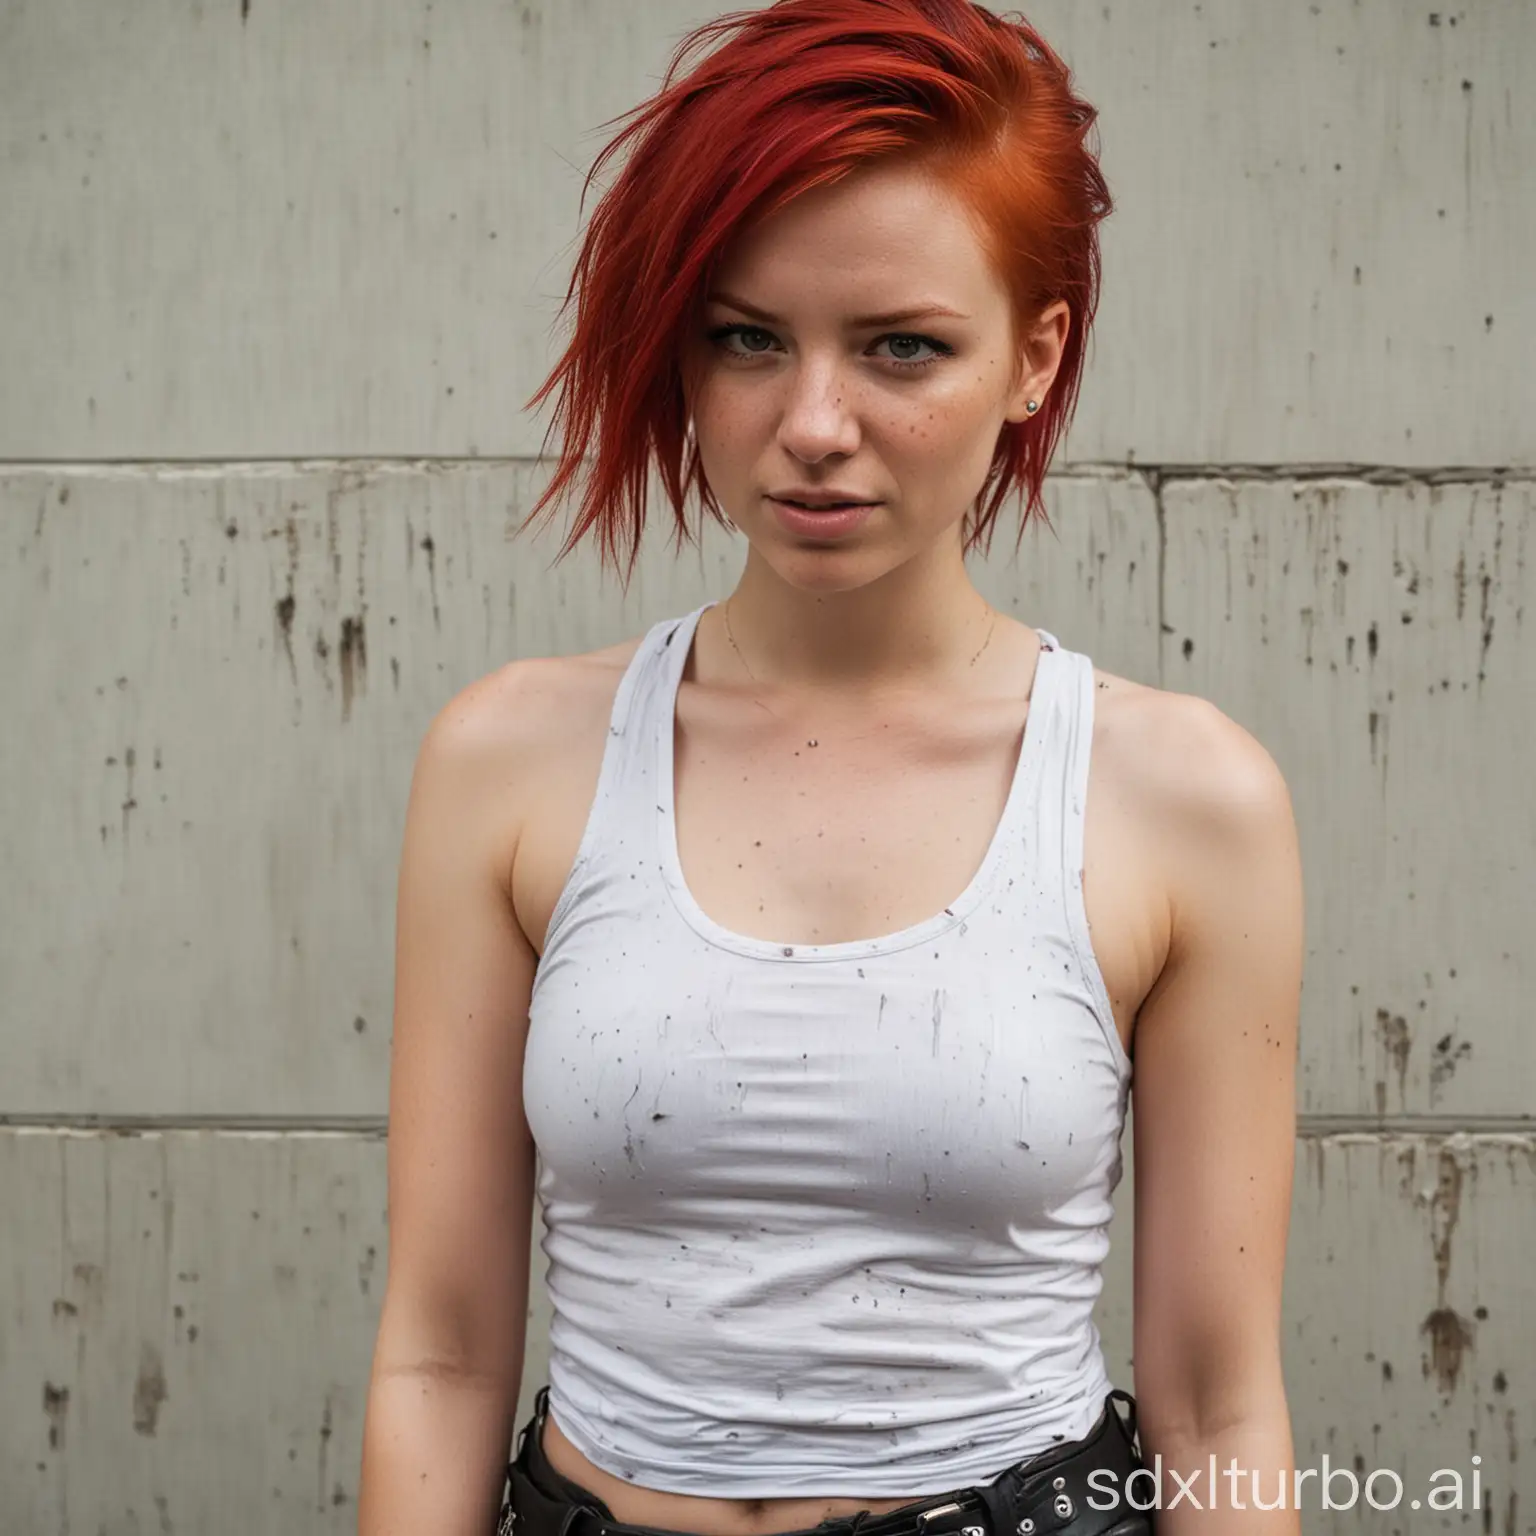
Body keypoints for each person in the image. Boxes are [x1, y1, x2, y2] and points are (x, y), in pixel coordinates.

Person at [357, 2, 1304, 1533]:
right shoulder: (510, 763)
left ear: (1032, 355)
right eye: (746, 338)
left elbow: (1216, 1397)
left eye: (901, 349)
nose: (812, 427)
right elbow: (443, 1355)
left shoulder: (1184, 800)